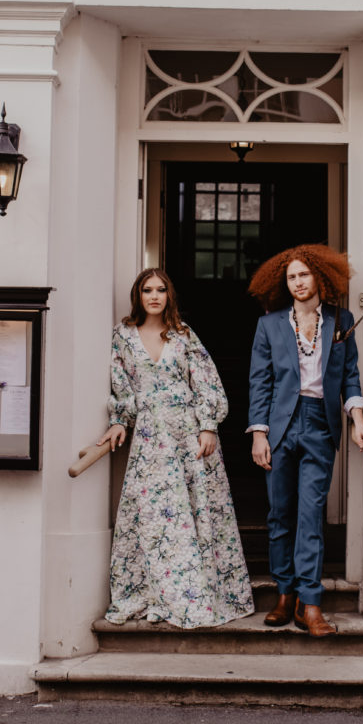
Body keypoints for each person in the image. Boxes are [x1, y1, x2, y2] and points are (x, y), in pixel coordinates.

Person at [100, 267, 254, 628]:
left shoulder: (183, 335)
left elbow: (207, 384)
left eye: (161, 290)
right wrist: (120, 420)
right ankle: (158, 593)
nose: (154, 296)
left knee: (198, 515)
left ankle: (198, 595)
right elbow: (121, 387)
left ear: (169, 296)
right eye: (147, 290)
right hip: (152, 439)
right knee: (155, 521)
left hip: (188, 435)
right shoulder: (122, 337)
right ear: (138, 296)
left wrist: (207, 426)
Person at [246, 244, 363, 638]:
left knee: (310, 517)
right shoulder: (269, 325)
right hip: (280, 426)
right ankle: (285, 595)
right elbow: (260, 381)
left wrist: (358, 420)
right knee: (280, 515)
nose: (298, 282)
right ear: (283, 284)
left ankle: (311, 603)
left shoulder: (341, 320)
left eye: (304, 275)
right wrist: (258, 434)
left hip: (320, 425)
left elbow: (350, 374)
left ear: (320, 277)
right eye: (291, 277)